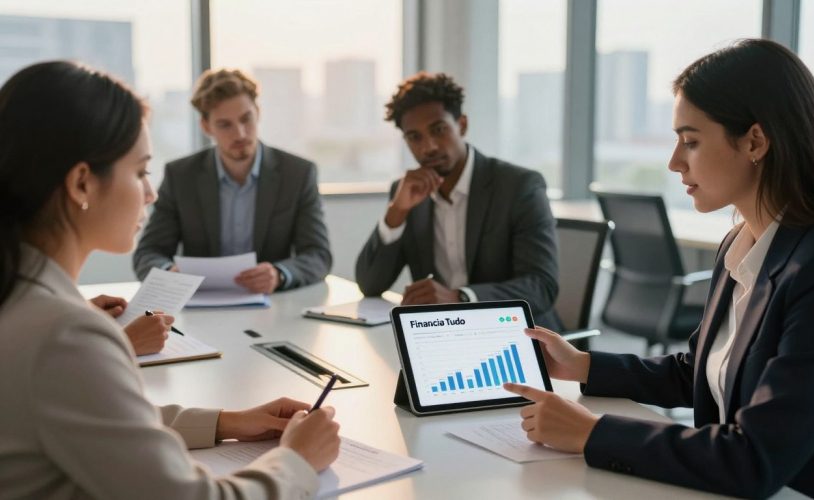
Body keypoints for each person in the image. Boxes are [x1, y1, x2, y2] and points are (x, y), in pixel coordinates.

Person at [503, 39, 814, 498]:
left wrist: (592, 433)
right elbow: (696, 372)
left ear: (755, 141)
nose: (674, 162)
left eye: (691, 141)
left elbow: (756, 458)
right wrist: (582, 365)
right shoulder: (740, 244)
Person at [0, 61, 340, 498]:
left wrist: (226, 421)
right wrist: (297, 460)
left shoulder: (23, 300)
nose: (151, 192)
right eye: (141, 171)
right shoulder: (66, 335)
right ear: (82, 184)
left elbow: (100, 415)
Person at [355, 72, 562, 330]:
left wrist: (460, 298)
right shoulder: (406, 193)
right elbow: (370, 284)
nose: (428, 147)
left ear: (461, 125)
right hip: (445, 336)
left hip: (516, 334)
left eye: (438, 130)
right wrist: (397, 211)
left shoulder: (519, 187)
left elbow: (541, 286)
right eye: (414, 137)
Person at [133, 68, 331, 293]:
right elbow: (147, 254)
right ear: (206, 126)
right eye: (225, 125)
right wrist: (169, 274)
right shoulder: (181, 176)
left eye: (246, 119)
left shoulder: (297, 173)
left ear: (258, 112)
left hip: (271, 308)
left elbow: (318, 255)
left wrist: (279, 274)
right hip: (200, 308)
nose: (240, 134)